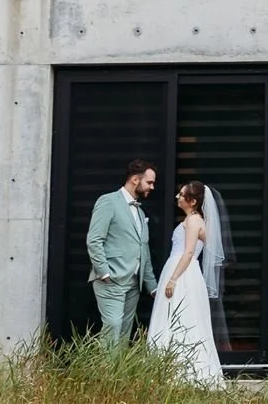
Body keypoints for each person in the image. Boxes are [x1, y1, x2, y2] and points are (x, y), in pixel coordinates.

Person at [147, 180, 224, 386]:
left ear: (192, 201)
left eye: (181, 195)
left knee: (180, 318)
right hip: (184, 271)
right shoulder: (196, 220)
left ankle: (183, 372)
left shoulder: (192, 221)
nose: (177, 197)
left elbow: (189, 252)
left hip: (182, 273)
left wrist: (173, 279)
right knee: (183, 317)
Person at [85, 159, 158, 345]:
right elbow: (94, 240)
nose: (152, 187)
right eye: (149, 182)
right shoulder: (108, 201)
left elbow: (144, 250)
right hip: (111, 280)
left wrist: (152, 285)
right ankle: (104, 374)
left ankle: (118, 374)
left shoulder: (140, 213)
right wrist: (104, 272)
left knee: (124, 331)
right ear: (135, 180)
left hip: (134, 283)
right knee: (112, 327)